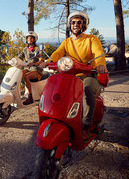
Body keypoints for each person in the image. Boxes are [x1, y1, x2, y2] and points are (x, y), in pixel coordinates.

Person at [40, 11, 108, 140]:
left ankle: (86, 126)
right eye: (73, 22)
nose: (75, 24)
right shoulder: (67, 42)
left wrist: (100, 65)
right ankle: (57, 116)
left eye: (78, 22)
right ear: (70, 25)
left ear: (83, 25)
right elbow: (57, 53)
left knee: (87, 89)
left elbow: (98, 52)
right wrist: (47, 62)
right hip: (71, 75)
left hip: (89, 75)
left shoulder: (91, 39)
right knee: (56, 87)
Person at [18, 31, 44, 105]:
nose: (29, 39)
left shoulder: (38, 49)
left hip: (36, 70)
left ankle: (30, 97)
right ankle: (17, 92)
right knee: (19, 73)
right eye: (28, 38)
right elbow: (19, 57)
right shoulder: (25, 50)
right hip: (28, 69)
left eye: (31, 38)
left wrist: (34, 64)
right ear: (26, 39)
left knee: (26, 76)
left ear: (34, 40)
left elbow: (41, 60)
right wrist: (12, 60)